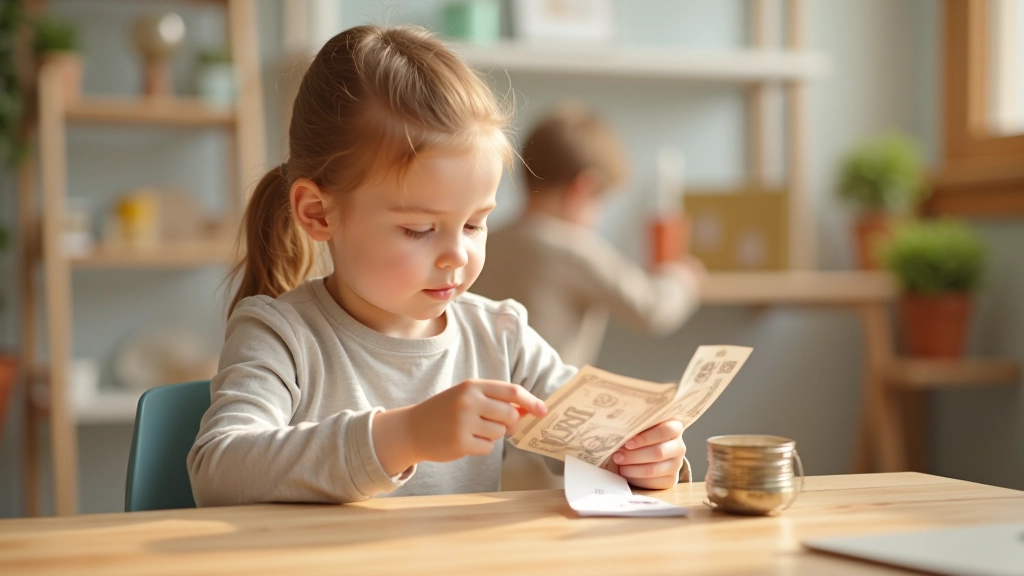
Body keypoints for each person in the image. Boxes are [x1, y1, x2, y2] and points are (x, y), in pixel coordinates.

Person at [186, 25, 688, 506]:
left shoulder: (502, 337)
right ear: (318, 213)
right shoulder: (279, 335)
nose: (458, 255)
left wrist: (641, 460)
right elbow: (218, 470)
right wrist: (403, 435)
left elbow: (593, 449)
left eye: (474, 225)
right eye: (419, 230)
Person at [474, 103, 705, 490]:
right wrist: (683, 279)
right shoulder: (572, 247)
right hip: (548, 456)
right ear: (585, 186)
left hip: (480, 451)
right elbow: (650, 308)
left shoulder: (487, 241)